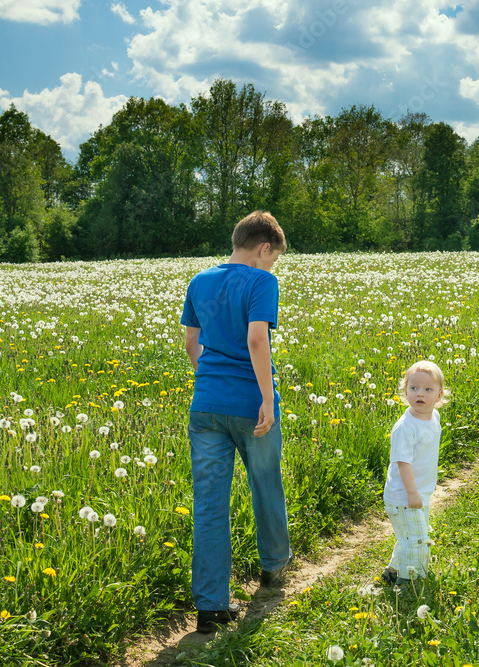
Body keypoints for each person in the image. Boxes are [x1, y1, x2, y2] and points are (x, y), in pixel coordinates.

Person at [180, 211, 291, 634]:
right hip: (251, 404)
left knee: (209, 504)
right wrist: (265, 397)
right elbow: (256, 339)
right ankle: (274, 566)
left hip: (205, 405)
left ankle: (210, 606)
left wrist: (209, 381)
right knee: (265, 481)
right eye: (274, 258)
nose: (272, 265)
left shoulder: (200, 280)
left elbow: (192, 343)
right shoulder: (263, 281)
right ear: (264, 248)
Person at [381, 360, 449, 589]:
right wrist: (412, 493)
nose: (420, 394)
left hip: (420, 492)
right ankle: (410, 583)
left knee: (410, 535)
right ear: (405, 391)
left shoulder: (433, 418)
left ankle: (392, 571)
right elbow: (402, 462)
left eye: (428, 389)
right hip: (404, 496)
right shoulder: (405, 427)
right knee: (418, 541)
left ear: (439, 395)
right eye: (414, 388)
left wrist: (420, 492)